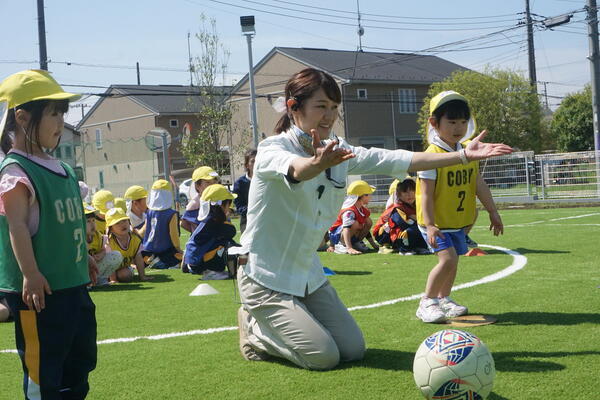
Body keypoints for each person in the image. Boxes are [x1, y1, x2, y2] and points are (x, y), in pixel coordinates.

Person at [236, 68, 512, 371]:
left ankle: (291, 319)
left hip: (307, 274)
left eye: (333, 108)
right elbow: (296, 169)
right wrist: (315, 163)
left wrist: (461, 156)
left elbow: (396, 158)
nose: (328, 116)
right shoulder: (271, 149)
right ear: (293, 107)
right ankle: (256, 331)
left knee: (353, 350)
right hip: (264, 277)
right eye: (320, 106)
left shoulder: (340, 151)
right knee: (323, 356)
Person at [0, 69, 98, 397]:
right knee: (44, 369)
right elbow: (16, 226)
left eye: (61, 113)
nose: (60, 122)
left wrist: (85, 260)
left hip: (73, 286)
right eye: (52, 113)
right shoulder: (16, 172)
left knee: (79, 360)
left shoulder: (64, 169)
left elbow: (68, 225)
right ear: (23, 118)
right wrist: (30, 273)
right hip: (40, 295)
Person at [415, 90, 505, 323]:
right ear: (434, 123)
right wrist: (431, 224)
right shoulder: (430, 156)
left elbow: (479, 184)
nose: (458, 127)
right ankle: (427, 301)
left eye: (463, 122)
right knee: (448, 260)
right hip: (435, 222)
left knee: (454, 262)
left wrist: (493, 212)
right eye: (452, 122)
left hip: (456, 222)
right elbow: (425, 194)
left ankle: (444, 298)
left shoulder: (467, 152)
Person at [183, 184, 237, 280]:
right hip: (199, 264)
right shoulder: (214, 222)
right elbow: (231, 231)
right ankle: (212, 271)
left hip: (194, 262)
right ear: (221, 206)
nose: (229, 208)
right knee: (230, 245)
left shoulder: (209, 220)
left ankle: (210, 270)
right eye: (228, 205)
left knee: (224, 243)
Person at [373, 177, 429, 255]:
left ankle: (419, 247)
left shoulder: (416, 204)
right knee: (411, 230)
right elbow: (403, 224)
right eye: (405, 192)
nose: (409, 194)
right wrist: (416, 219)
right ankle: (404, 249)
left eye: (412, 190)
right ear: (399, 195)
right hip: (383, 235)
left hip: (397, 231)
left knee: (421, 227)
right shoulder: (397, 207)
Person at [328, 180, 379, 255]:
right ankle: (342, 245)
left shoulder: (362, 209)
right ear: (361, 196)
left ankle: (355, 243)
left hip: (346, 234)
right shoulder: (349, 211)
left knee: (368, 222)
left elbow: (365, 227)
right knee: (354, 223)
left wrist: (374, 245)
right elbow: (346, 228)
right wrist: (349, 248)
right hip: (337, 236)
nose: (371, 197)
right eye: (368, 194)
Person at [142, 179, 182, 269]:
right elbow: (173, 235)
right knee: (184, 258)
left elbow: (144, 230)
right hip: (164, 251)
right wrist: (179, 249)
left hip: (147, 250)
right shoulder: (171, 214)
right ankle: (160, 262)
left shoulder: (149, 212)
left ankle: (149, 260)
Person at [106, 207, 151, 282]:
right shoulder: (109, 241)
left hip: (122, 267)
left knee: (125, 275)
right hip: (105, 269)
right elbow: (109, 263)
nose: (122, 224)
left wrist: (142, 276)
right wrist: (113, 280)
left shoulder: (135, 239)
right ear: (111, 229)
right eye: (117, 223)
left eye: (124, 220)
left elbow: (139, 258)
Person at [84, 203, 122, 286]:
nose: (92, 224)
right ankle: (85, 283)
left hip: (94, 267)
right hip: (82, 270)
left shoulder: (98, 236)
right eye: (88, 221)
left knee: (116, 255)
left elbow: (103, 250)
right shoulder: (76, 238)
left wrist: (100, 255)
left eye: (93, 220)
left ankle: (100, 279)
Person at [181, 166, 218, 233]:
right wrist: (196, 232)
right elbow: (183, 223)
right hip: (201, 242)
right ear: (197, 186)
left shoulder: (217, 199)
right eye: (208, 182)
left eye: (214, 182)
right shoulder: (195, 204)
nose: (212, 185)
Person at [233, 149, 256, 234]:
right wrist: (256, 208)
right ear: (247, 165)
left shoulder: (267, 181)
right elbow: (239, 207)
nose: (256, 164)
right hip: (247, 221)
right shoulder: (239, 183)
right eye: (253, 161)